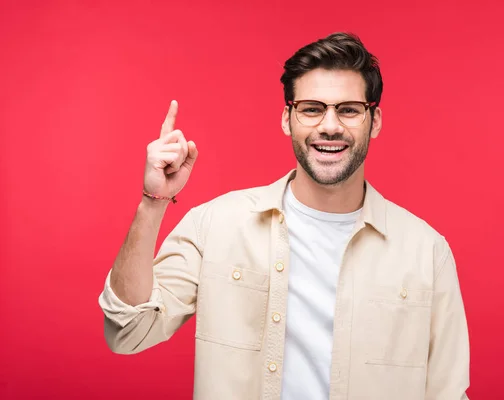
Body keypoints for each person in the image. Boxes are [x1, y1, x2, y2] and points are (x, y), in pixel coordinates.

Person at [98, 32, 470, 400]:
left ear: (374, 122)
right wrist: (154, 200)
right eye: (311, 108)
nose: (330, 125)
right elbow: (129, 331)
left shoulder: (426, 252)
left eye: (349, 110)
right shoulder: (216, 225)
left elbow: (447, 392)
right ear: (287, 119)